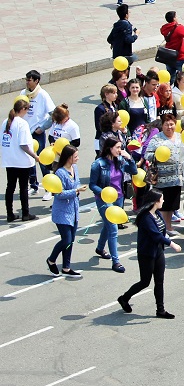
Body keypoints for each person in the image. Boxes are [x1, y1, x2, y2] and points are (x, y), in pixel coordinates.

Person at [117, 189, 181, 319]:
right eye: (162, 199)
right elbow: (155, 235)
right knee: (145, 282)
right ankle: (124, 298)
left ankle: (161, 310)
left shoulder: (157, 213)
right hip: (147, 253)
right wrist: (172, 243)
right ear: (156, 202)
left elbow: (161, 230)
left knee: (159, 281)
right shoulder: (146, 218)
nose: (163, 200)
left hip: (158, 251)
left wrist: (166, 237)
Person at [89, 137, 137, 272]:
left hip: (119, 198)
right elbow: (92, 184)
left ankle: (99, 248)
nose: (120, 150)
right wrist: (103, 192)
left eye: (121, 147)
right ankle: (116, 262)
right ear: (109, 148)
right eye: (117, 147)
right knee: (113, 229)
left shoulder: (120, 161)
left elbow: (134, 171)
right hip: (104, 200)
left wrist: (130, 158)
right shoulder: (98, 164)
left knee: (108, 225)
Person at [45, 146, 84, 278]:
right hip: (62, 211)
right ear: (68, 157)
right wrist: (76, 191)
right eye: (76, 156)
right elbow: (59, 193)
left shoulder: (75, 168)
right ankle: (51, 260)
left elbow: (76, 183)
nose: (78, 158)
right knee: (66, 240)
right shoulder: (60, 173)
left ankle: (66, 267)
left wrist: (77, 189)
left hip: (74, 209)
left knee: (71, 240)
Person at [4, 99, 41, 222]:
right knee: (23, 187)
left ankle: (10, 214)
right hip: (21, 161)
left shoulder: (6, 122)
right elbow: (24, 145)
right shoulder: (22, 123)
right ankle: (25, 213)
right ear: (23, 109)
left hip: (9, 160)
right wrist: (35, 156)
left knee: (10, 187)